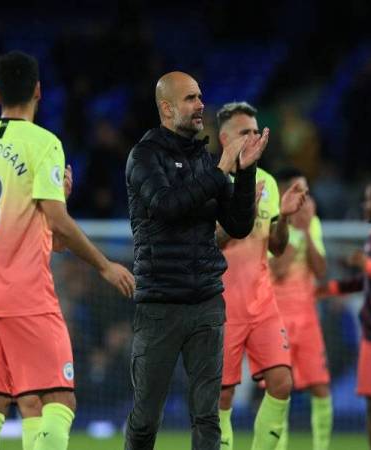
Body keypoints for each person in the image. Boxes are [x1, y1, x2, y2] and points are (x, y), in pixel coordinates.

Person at [0, 50, 135, 450]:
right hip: (26, 295)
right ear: (39, 91)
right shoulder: (45, 144)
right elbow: (56, 222)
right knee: (59, 398)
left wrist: (52, 208)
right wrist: (105, 266)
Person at [124, 73, 264, 450]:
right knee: (145, 419)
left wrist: (246, 170)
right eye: (190, 98)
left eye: (201, 96)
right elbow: (167, 206)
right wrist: (221, 172)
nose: (201, 104)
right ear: (167, 108)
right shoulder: (144, 156)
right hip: (160, 305)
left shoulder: (203, 159)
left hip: (205, 302)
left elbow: (237, 224)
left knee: (207, 418)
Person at [0, 166, 74, 450]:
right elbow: (57, 239)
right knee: (54, 399)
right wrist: (57, 200)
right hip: (21, 300)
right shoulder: (29, 166)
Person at [213, 102, 306, 450]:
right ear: (225, 139)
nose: (253, 137)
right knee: (222, 397)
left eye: (256, 131)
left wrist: (282, 217)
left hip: (263, 304)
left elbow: (277, 248)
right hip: (222, 307)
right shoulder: (212, 181)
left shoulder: (266, 181)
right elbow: (209, 243)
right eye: (244, 133)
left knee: (282, 383)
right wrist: (244, 208)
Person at [317, 182, 371, 450]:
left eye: (369, 200)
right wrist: (325, 290)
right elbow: (367, 281)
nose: (365, 206)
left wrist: (368, 265)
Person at [270, 168, 332, 450]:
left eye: (307, 191)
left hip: (307, 319)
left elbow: (321, 271)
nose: (305, 198)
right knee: (279, 389)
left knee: (320, 387)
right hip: (276, 319)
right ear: (285, 194)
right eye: (299, 191)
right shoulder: (273, 225)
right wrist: (295, 232)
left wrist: (307, 231)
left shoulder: (313, 223)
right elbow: (278, 270)